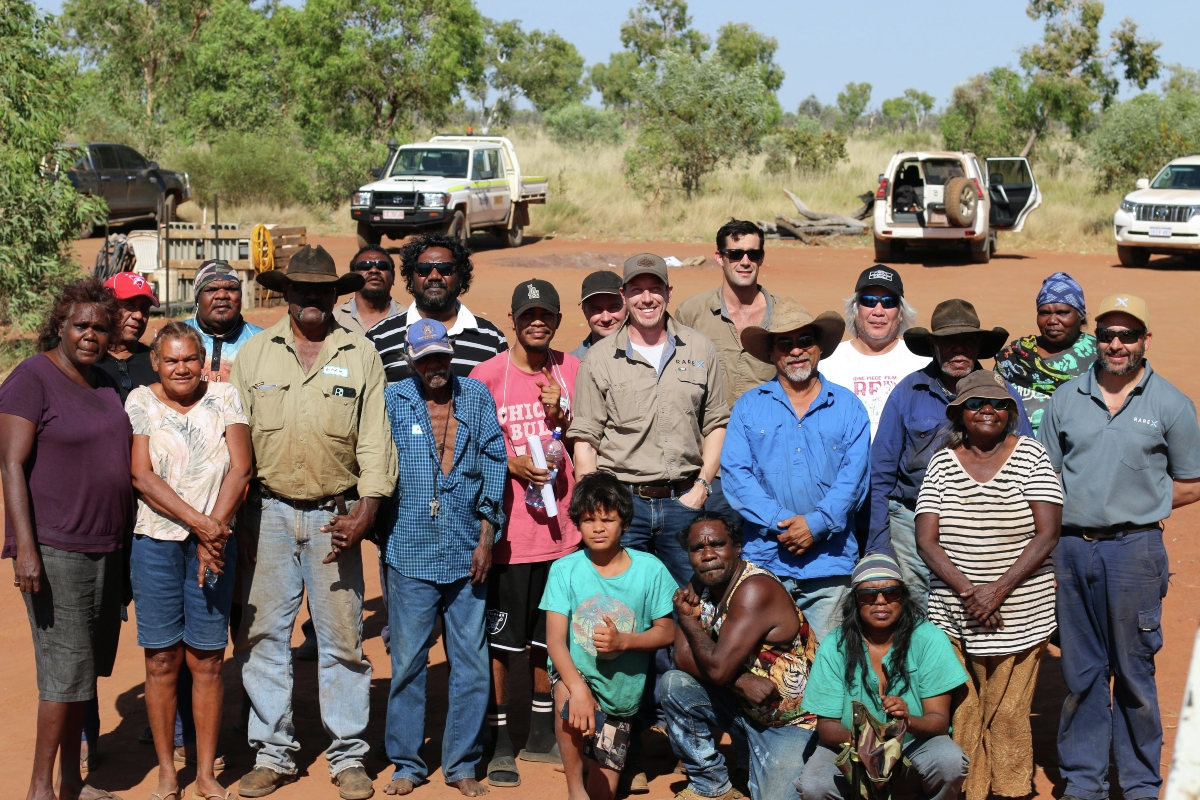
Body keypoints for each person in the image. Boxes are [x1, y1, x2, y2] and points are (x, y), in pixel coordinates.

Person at [231, 245, 398, 800]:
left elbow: (375, 440)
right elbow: (237, 443)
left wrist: (366, 511)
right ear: (286, 292)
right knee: (263, 638)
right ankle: (272, 753)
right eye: (301, 288)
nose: (311, 298)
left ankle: (348, 756)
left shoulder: (361, 353)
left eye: (322, 290)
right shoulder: (256, 354)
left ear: (334, 295)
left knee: (344, 641)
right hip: (268, 514)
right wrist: (240, 521)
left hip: (336, 517)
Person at [1038, 294, 1200, 800]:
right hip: (1069, 550)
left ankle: (1139, 784)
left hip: (1135, 551)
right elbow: (1044, 479)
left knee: (1133, 671)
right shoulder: (1066, 399)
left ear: (1144, 340)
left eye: (1127, 335)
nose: (1116, 344)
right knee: (1081, 671)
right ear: (1096, 338)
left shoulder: (1170, 403)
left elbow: (1192, 481)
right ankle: (1084, 782)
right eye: (1107, 334)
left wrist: (1137, 501)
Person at [1, 278, 131, 800]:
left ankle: (72, 783)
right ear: (61, 325)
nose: (90, 335)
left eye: (100, 327)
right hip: (57, 549)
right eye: (81, 325)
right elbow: (11, 465)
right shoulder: (32, 377)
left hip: (106, 547)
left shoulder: (103, 382)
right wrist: (25, 550)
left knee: (83, 672)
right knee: (62, 675)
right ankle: (40, 789)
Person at [914, 369, 1063, 800]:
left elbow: (1048, 533)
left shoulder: (1031, 456)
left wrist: (997, 590)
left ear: (1010, 413)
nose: (987, 411)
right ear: (959, 413)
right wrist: (970, 593)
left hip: (1022, 612)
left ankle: (1010, 792)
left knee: (1010, 712)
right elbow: (926, 540)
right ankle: (970, 791)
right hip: (956, 613)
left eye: (998, 404)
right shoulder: (942, 462)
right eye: (976, 404)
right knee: (965, 707)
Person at [126, 322, 252, 800]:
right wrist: (202, 526)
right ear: (156, 362)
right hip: (156, 545)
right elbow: (142, 475)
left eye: (190, 359)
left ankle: (204, 773)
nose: (181, 368)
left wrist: (212, 533)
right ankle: (166, 772)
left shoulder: (225, 397)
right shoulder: (141, 400)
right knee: (161, 659)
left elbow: (241, 467)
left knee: (208, 659)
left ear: (203, 362)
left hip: (215, 545)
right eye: (171, 359)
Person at [381, 318, 507, 798]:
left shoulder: (475, 396)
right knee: (409, 663)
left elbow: (495, 463)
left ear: (451, 356)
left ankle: (461, 763)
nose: (434, 367)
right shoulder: (394, 400)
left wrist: (486, 538)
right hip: (409, 552)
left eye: (441, 357)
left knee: (471, 663)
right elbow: (375, 462)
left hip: (467, 551)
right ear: (411, 360)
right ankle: (407, 763)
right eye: (425, 359)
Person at [469, 279, 583, 785]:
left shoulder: (572, 369)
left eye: (546, 315)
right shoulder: (487, 375)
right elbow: (470, 448)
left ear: (557, 320)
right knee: (502, 643)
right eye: (528, 315)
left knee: (547, 637)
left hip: (563, 534)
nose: (537, 322)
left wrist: (561, 413)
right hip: (509, 535)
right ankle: (499, 740)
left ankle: (540, 733)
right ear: (512, 321)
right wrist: (510, 464)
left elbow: (584, 441)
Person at [572, 252, 730, 585]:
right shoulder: (599, 359)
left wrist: (701, 488)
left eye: (655, 288)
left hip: (684, 501)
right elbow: (586, 439)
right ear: (624, 295)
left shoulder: (699, 349)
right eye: (637, 290)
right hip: (621, 504)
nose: (646, 298)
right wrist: (594, 506)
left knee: (690, 599)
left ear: (668, 292)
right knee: (621, 598)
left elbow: (716, 423)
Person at [721, 298, 869, 641]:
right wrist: (785, 524)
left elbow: (855, 479)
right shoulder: (748, 407)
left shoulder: (849, 407)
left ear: (819, 347)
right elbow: (737, 476)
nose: (796, 350)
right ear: (772, 353)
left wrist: (816, 524)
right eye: (784, 343)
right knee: (767, 662)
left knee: (829, 661)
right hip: (766, 562)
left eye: (805, 340)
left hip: (830, 564)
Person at [868, 299, 1033, 607]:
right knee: (916, 614)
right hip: (911, 525)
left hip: (987, 528)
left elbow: (1028, 463)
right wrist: (879, 547)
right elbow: (880, 474)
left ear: (979, 346)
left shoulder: (1003, 395)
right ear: (934, 346)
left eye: (968, 341)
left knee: (978, 609)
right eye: (948, 341)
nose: (959, 350)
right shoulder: (909, 392)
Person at [541, 471, 677, 800]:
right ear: (578, 522)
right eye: (589, 519)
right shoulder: (564, 569)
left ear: (625, 523)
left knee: (604, 793)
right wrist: (578, 688)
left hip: (621, 694)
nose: (598, 528)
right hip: (575, 675)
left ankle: (595, 766)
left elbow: (667, 631)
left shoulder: (651, 569)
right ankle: (575, 789)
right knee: (567, 697)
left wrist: (624, 642)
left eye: (608, 519)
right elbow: (555, 641)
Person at [663, 513, 819, 800]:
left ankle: (757, 760)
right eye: (697, 548)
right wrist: (741, 680)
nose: (708, 555)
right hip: (743, 707)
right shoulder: (702, 584)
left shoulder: (754, 588)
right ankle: (711, 787)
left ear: (736, 547)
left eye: (717, 544)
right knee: (674, 684)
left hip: (791, 721)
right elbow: (682, 659)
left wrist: (686, 619)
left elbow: (718, 670)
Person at [797, 555, 969, 800]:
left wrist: (907, 721)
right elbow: (826, 727)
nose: (880, 601)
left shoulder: (929, 639)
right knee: (814, 786)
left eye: (891, 593)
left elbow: (939, 721)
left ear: (903, 597)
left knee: (949, 761)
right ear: (855, 601)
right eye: (868, 595)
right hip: (851, 747)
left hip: (913, 742)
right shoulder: (835, 644)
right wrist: (860, 739)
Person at [367, 234, 507, 383]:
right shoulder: (379, 338)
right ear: (411, 278)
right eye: (424, 269)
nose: (434, 276)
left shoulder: (492, 339)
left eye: (445, 269)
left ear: (460, 277)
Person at [675, 220, 780, 406]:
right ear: (719, 257)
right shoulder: (691, 313)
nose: (745, 262)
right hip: (709, 424)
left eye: (753, 254)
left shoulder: (784, 314)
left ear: (761, 258)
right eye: (735, 254)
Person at [819, 265, 927, 439]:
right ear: (855, 309)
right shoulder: (827, 362)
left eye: (889, 302)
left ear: (900, 313)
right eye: (869, 301)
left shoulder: (922, 364)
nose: (878, 311)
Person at [994, 272, 1097, 434]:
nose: (1052, 321)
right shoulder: (1015, 355)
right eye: (1044, 313)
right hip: (1016, 443)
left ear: (1081, 316)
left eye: (1062, 312)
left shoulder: (1098, 355)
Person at [183, 259, 264, 383]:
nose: (222, 295)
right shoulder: (174, 337)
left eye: (231, 288)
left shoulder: (261, 341)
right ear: (197, 298)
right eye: (211, 290)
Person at [96, 270, 160, 402]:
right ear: (107, 307)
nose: (138, 315)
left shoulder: (156, 362)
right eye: (129, 305)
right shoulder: (89, 360)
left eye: (144, 309)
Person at [334, 245, 404, 337]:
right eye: (365, 266)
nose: (374, 270)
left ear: (393, 276)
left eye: (382, 266)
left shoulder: (409, 320)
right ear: (353, 276)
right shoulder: (334, 319)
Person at [570, 270, 627, 360]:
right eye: (596, 309)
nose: (606, 318)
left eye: (613, 308)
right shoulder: (572, 364)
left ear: (627, 306)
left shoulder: (647, 356)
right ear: (584, 311)